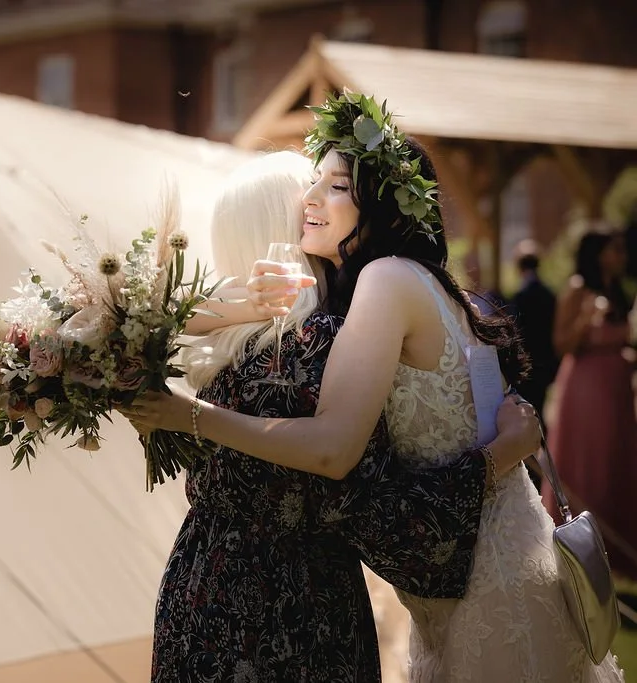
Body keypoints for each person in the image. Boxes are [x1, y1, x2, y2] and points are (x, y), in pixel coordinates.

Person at [125, 93, 623, 681]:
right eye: (314, 185)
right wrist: (235, 305)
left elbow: (336, 452)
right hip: (477, 576)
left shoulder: (384, 283)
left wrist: (190, 415)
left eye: (336, 187)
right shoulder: (409, 288)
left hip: (480, 584)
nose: (309, 201)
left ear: (382, 206)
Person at [546, 229, 637, 581]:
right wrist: (586, 318)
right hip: (586, 392)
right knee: (590, 460)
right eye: (615, 249)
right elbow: (560, 343)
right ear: (599, 254)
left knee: (617, 460)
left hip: (617, 392)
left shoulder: (620, 293)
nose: (623, 255)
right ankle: (583, 545)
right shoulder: (578, 289)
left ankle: (618, 550)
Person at [508, 239, 559, 420]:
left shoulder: (520, 295)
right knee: (540, 409)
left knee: (528, 412)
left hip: (527, 363)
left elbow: (516, 331)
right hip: (546, 362)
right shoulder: (550, 294)